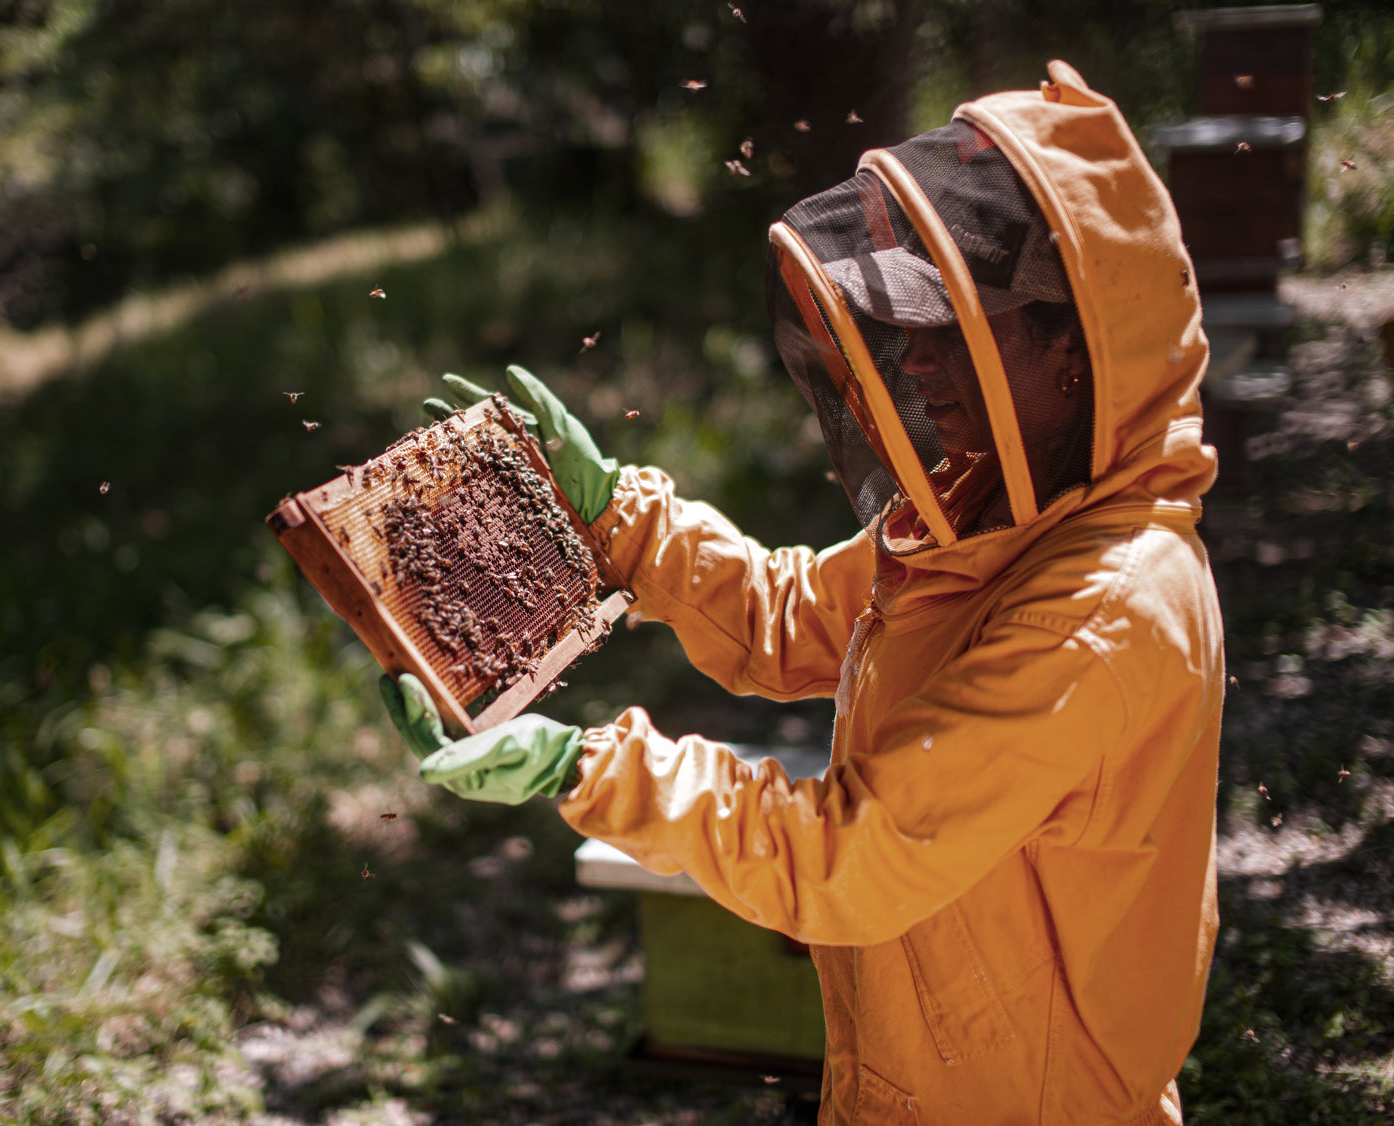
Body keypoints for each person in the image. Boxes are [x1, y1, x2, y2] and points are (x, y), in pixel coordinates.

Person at [385, 61, 1222, 1125]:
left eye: (951, 328)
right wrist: (621, 522)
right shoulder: (997, 508)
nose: (913, 361)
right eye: (905, 321)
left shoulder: (1103, 610)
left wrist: (590, 767)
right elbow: (795, 620)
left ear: (1074, 345)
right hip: (915, 1071)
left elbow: (849, 860)